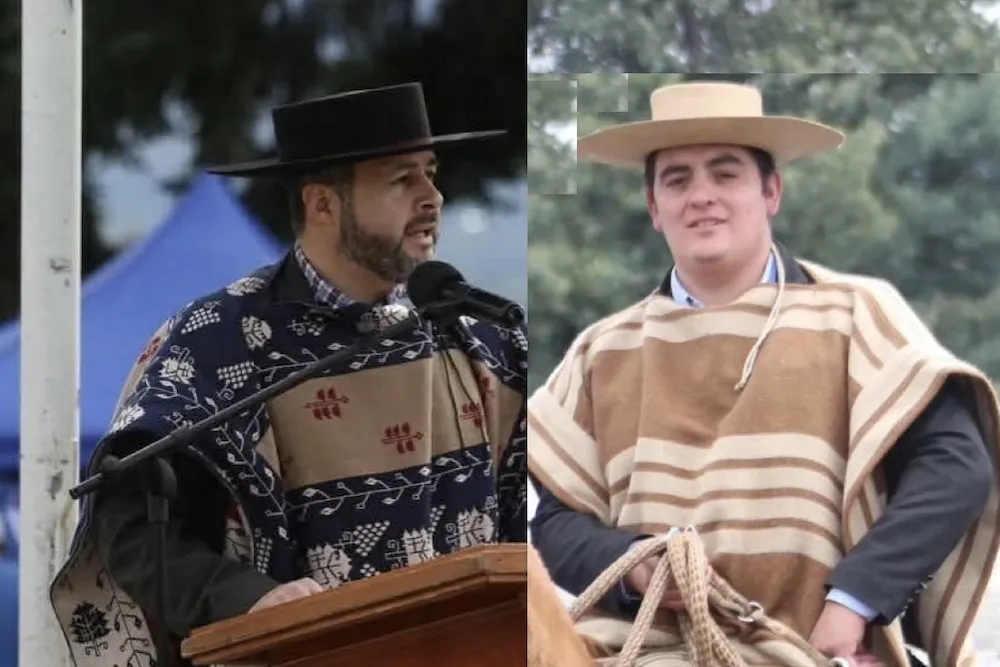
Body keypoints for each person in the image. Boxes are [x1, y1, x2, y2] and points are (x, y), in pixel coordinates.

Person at [50, 82, 528, 666]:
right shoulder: (216, 342)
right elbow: (130, 533)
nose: (433, 196)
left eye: (430, 172)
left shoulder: (477, 339)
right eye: (403, 180)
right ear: (323, 204)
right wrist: (247, 599)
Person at [527, 81, 1000, 667]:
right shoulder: (603, 352)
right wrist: (633, 567)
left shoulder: (857, 316)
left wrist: (854, 603)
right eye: (677, 180)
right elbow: (554, 520)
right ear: (654, 206)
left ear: (771, 191)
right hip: (642, 650)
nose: (701, 195)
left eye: (725, 174)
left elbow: (956, 468)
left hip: (816, 647)